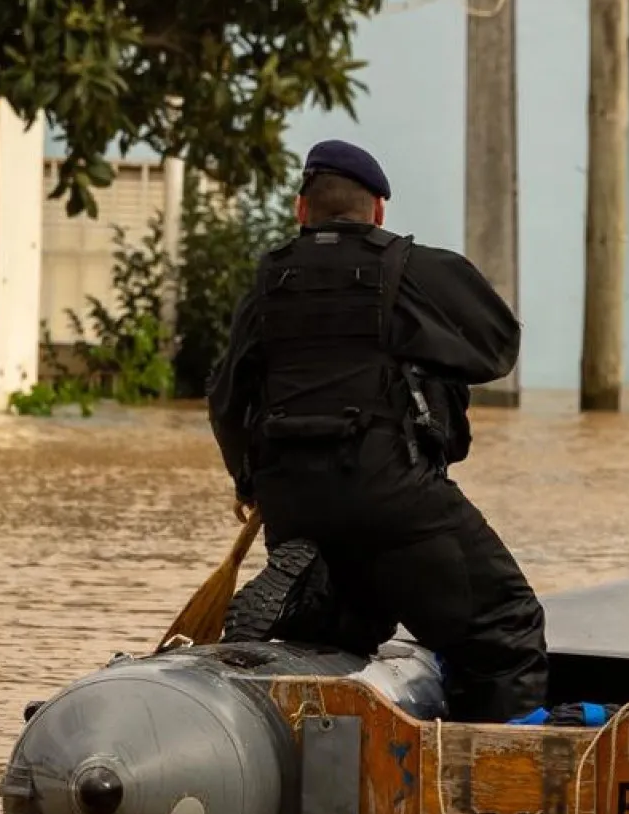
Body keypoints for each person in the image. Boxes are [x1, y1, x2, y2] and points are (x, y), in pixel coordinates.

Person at [206, 139, 549, 723]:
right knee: (506, 627)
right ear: (380, 212)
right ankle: (498, 766)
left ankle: (313, 609)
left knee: (353, 623)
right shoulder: (413, 269)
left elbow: (225, 397)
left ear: (301, 209)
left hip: (291, 505)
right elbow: (498, 347)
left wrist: (248, 483)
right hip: (390, 496)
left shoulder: (268, 280)